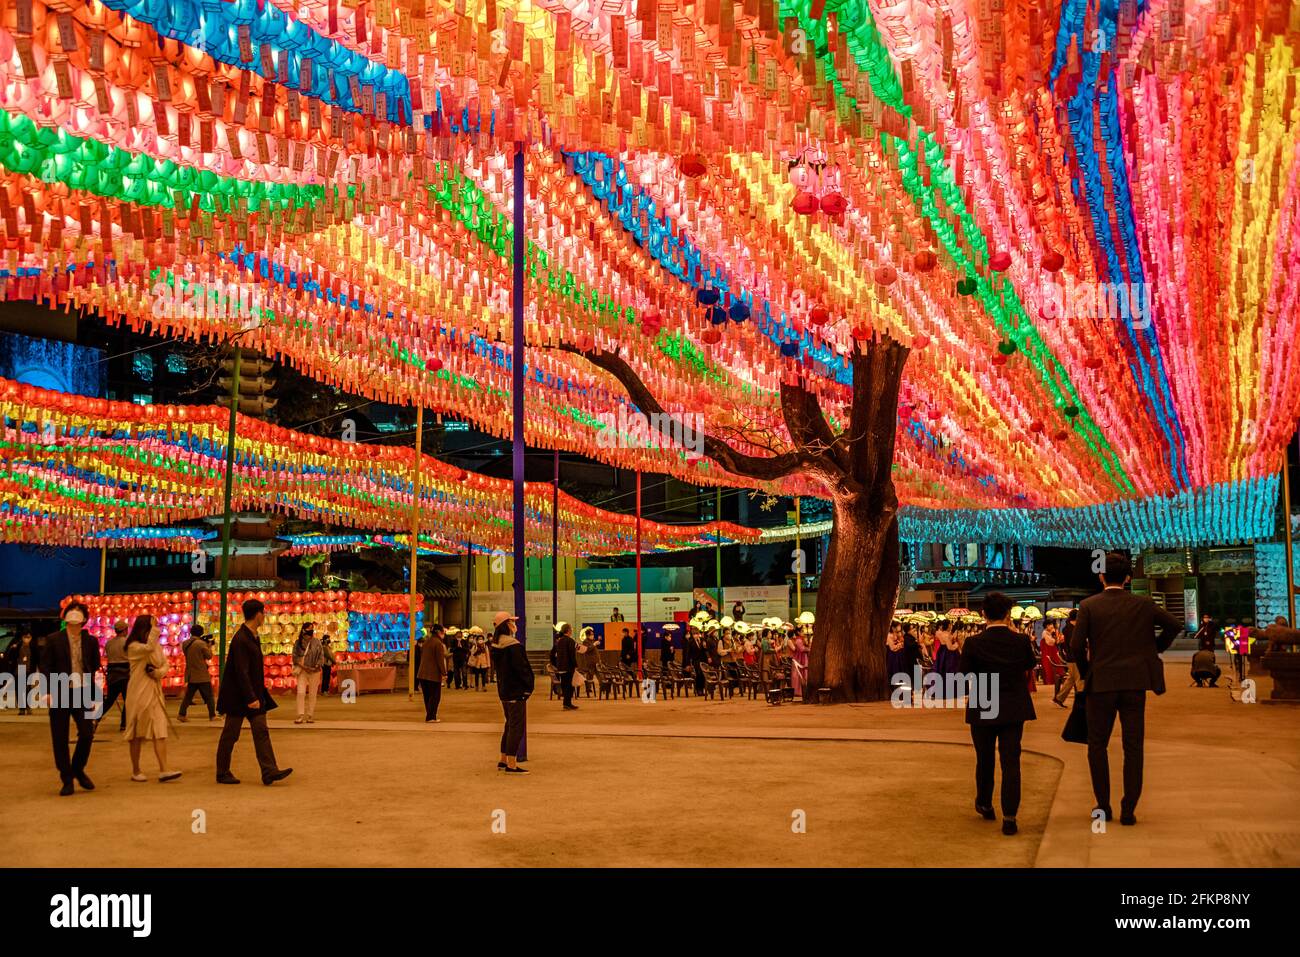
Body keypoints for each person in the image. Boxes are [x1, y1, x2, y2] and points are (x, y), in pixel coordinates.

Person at [1070, 551, 1181, 826]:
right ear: (1128, 578)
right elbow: (1174, 624)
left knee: (1097, 745)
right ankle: (1129, 808)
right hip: (1134, 684)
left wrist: (1088, 673)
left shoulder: (1089, 606)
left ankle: (1103, 806)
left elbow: (1075, 646)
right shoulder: (1143, 604)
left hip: (1102, 684)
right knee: (1134, 746)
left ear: (1101, 576)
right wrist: (1153, 649)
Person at [959, 592, 1037, 835]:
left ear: (983, 614)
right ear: (1007, 614)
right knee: (1011, 760)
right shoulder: (1021, 641)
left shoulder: (973, 643)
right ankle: (1010, 816)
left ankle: (984, 803)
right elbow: (1028, 665)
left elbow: (964, 674)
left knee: (985, 759)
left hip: (983, 703)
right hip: (1013, 706)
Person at [216, 599, 292, 786]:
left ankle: (269, 771)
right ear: (258, 614)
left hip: (254, 695)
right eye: (263, 613)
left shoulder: (252, 636)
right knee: (230, 734)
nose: (264, 616)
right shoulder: (241, 639)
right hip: (238, 696)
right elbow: (241, 671)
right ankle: (222, 772)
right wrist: (250, 697)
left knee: (261, 731)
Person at [37, 602, 101, 795]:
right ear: (65, 620)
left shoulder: (90, 641)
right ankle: (66, 778)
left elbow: (94, 665)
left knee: (87, 733)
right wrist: (47, 691)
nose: (74, 626)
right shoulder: (54, 639)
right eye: (71, 621)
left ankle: (78, 769)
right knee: (60, 736)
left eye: (78, 621)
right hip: (59, 691)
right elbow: (45, 666)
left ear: (83, 621)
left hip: (81, 691)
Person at [122, 615, 182, 783]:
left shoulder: (154, 645)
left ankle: (164, 769)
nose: (156, 629)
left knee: (159, 730)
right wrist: (155, 630)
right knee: (136, 733)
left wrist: (158, 673)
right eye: (152, 626)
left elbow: (163, 663)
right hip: (138, 693)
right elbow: (147, 648)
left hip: (154, 691)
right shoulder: (133, 647)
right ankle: (136, 770)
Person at [490, 612, 533, 773]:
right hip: (516, 691)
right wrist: (528, 687)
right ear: (506, 625)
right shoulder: (513, 646)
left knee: (509, 725)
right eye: (511, 622)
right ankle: (512, 764)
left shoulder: (496, 645)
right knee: (516, 727)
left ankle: (503, 759)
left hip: (504, 691)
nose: (514, 625)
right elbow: (522, 669)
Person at [177, 624, 215, 722]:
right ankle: (212, 716)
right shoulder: (201, 644)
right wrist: (209, 646)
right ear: (201, 633)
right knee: (209, 696)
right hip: (201, 674)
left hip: (191, 674)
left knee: (188, 696)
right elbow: (209, 656)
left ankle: (181, 714)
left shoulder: (185, 643)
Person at [291, 623, 326, 724]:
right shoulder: (298, 643)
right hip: (302, 671)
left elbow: (321, 656)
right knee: (301, 692)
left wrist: (316, 666)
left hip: (314, 671)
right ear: (303, 631)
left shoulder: (317, 642)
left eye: (311, 630)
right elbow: (295, 657)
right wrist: (304, 667)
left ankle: (310, 715)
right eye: (308, 630)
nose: (310, 632)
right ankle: (300, 715)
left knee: (312, 694)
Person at [100, 620, 131, 730]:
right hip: (125, 674)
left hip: (112, 675)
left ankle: (95, 718)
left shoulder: (109, 643)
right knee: (128, 701)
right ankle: (124, 723)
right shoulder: (127, 642)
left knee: (109, 700)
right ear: (124, 630)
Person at [417, 624, 447, 721]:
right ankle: (431, 717)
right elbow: (440, 660)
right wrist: (444, 673)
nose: (444, 634)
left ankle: (430, 716)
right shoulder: (438, 643)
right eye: (443, 631)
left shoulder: (426, 642)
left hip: (422, 674)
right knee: (435, 697)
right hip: (433, 675)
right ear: (439, 632)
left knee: (427, 696)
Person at [6, 625, 38, 715]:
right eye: (25, 637)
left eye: (28, 637)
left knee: (28, 689)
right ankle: (22, 708)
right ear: (22, 637)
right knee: (19, 689)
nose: (27, 639)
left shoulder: (34, 647)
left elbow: (37, 659)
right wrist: (12, 649)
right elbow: (10, 657)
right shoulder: (17, 646)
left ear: (31, 637)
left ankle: (28, 706)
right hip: (19, 670)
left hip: (29, 670)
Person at [1052, 609, 1082, 708]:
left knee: (1071, 679)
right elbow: (1074, 644)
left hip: (1071, 657)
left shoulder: (1068, 628)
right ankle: (1082, 703)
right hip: (1074, 657)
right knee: (1079, 680)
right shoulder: (1072, 629)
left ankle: (1059, 698)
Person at [550, 621, 579, 711]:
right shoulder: (570, 641)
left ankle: (566, 703)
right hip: (568, 667)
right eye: (571, 629)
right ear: (568, 630)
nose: (572, 630)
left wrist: (556, 665)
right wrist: (575, 665)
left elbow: (555, 654)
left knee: (564, 685)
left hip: (561, 667)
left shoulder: (559, 641)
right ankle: (567, 703)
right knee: (569, 686)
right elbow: (572, 655)